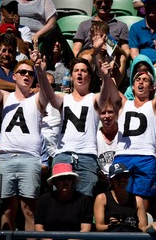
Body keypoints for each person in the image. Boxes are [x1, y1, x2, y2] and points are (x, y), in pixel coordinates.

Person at [0, 36, 50, 235]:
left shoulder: (38, 98)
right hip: (5, 157)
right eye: (22, 72)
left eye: (30, 74)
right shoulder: (6, 97)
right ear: (14, 76)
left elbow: (47, 91)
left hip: (30, 158)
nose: (26, 76)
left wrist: (40, 69)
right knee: (7, 209)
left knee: (30, 210)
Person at [110, 35, 156, 213]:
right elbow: (109, 84)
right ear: (132, 86)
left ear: (151, 87)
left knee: (143, 198)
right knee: (121, 196)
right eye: (137, 79)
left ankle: (141, 230)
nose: (141, 82)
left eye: (145, 80)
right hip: (123, 155)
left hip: (146, 157)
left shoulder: (155, 106)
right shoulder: (122, 104)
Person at [42, 57, 112, 197]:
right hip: (63, 155)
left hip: (87, 157)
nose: (80, 73)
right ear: (71, 75)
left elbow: (104, 96)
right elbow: (49, 95)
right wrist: (41, 72)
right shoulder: (62, 98)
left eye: (83, 71)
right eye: (76, 70)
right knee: (60, 202)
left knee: (85, 202)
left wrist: (105, 77)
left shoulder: (94, 98)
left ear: (90, 76)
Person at [34, 163, 93, 240]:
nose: (65, 182)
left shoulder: (83, 200)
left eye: (68, 178)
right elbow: (39, 228)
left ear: (72, 181)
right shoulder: (43, 200)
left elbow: (85, 229)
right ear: (54, 182)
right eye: (61, 179)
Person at [93, 163, 148, 240]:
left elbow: (142, 229)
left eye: (125, 176)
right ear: (111, 180)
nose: (122, 180)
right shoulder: (102, 198)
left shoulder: (138, 200)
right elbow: (99, 227)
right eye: (118, 177)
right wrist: (114, 226)